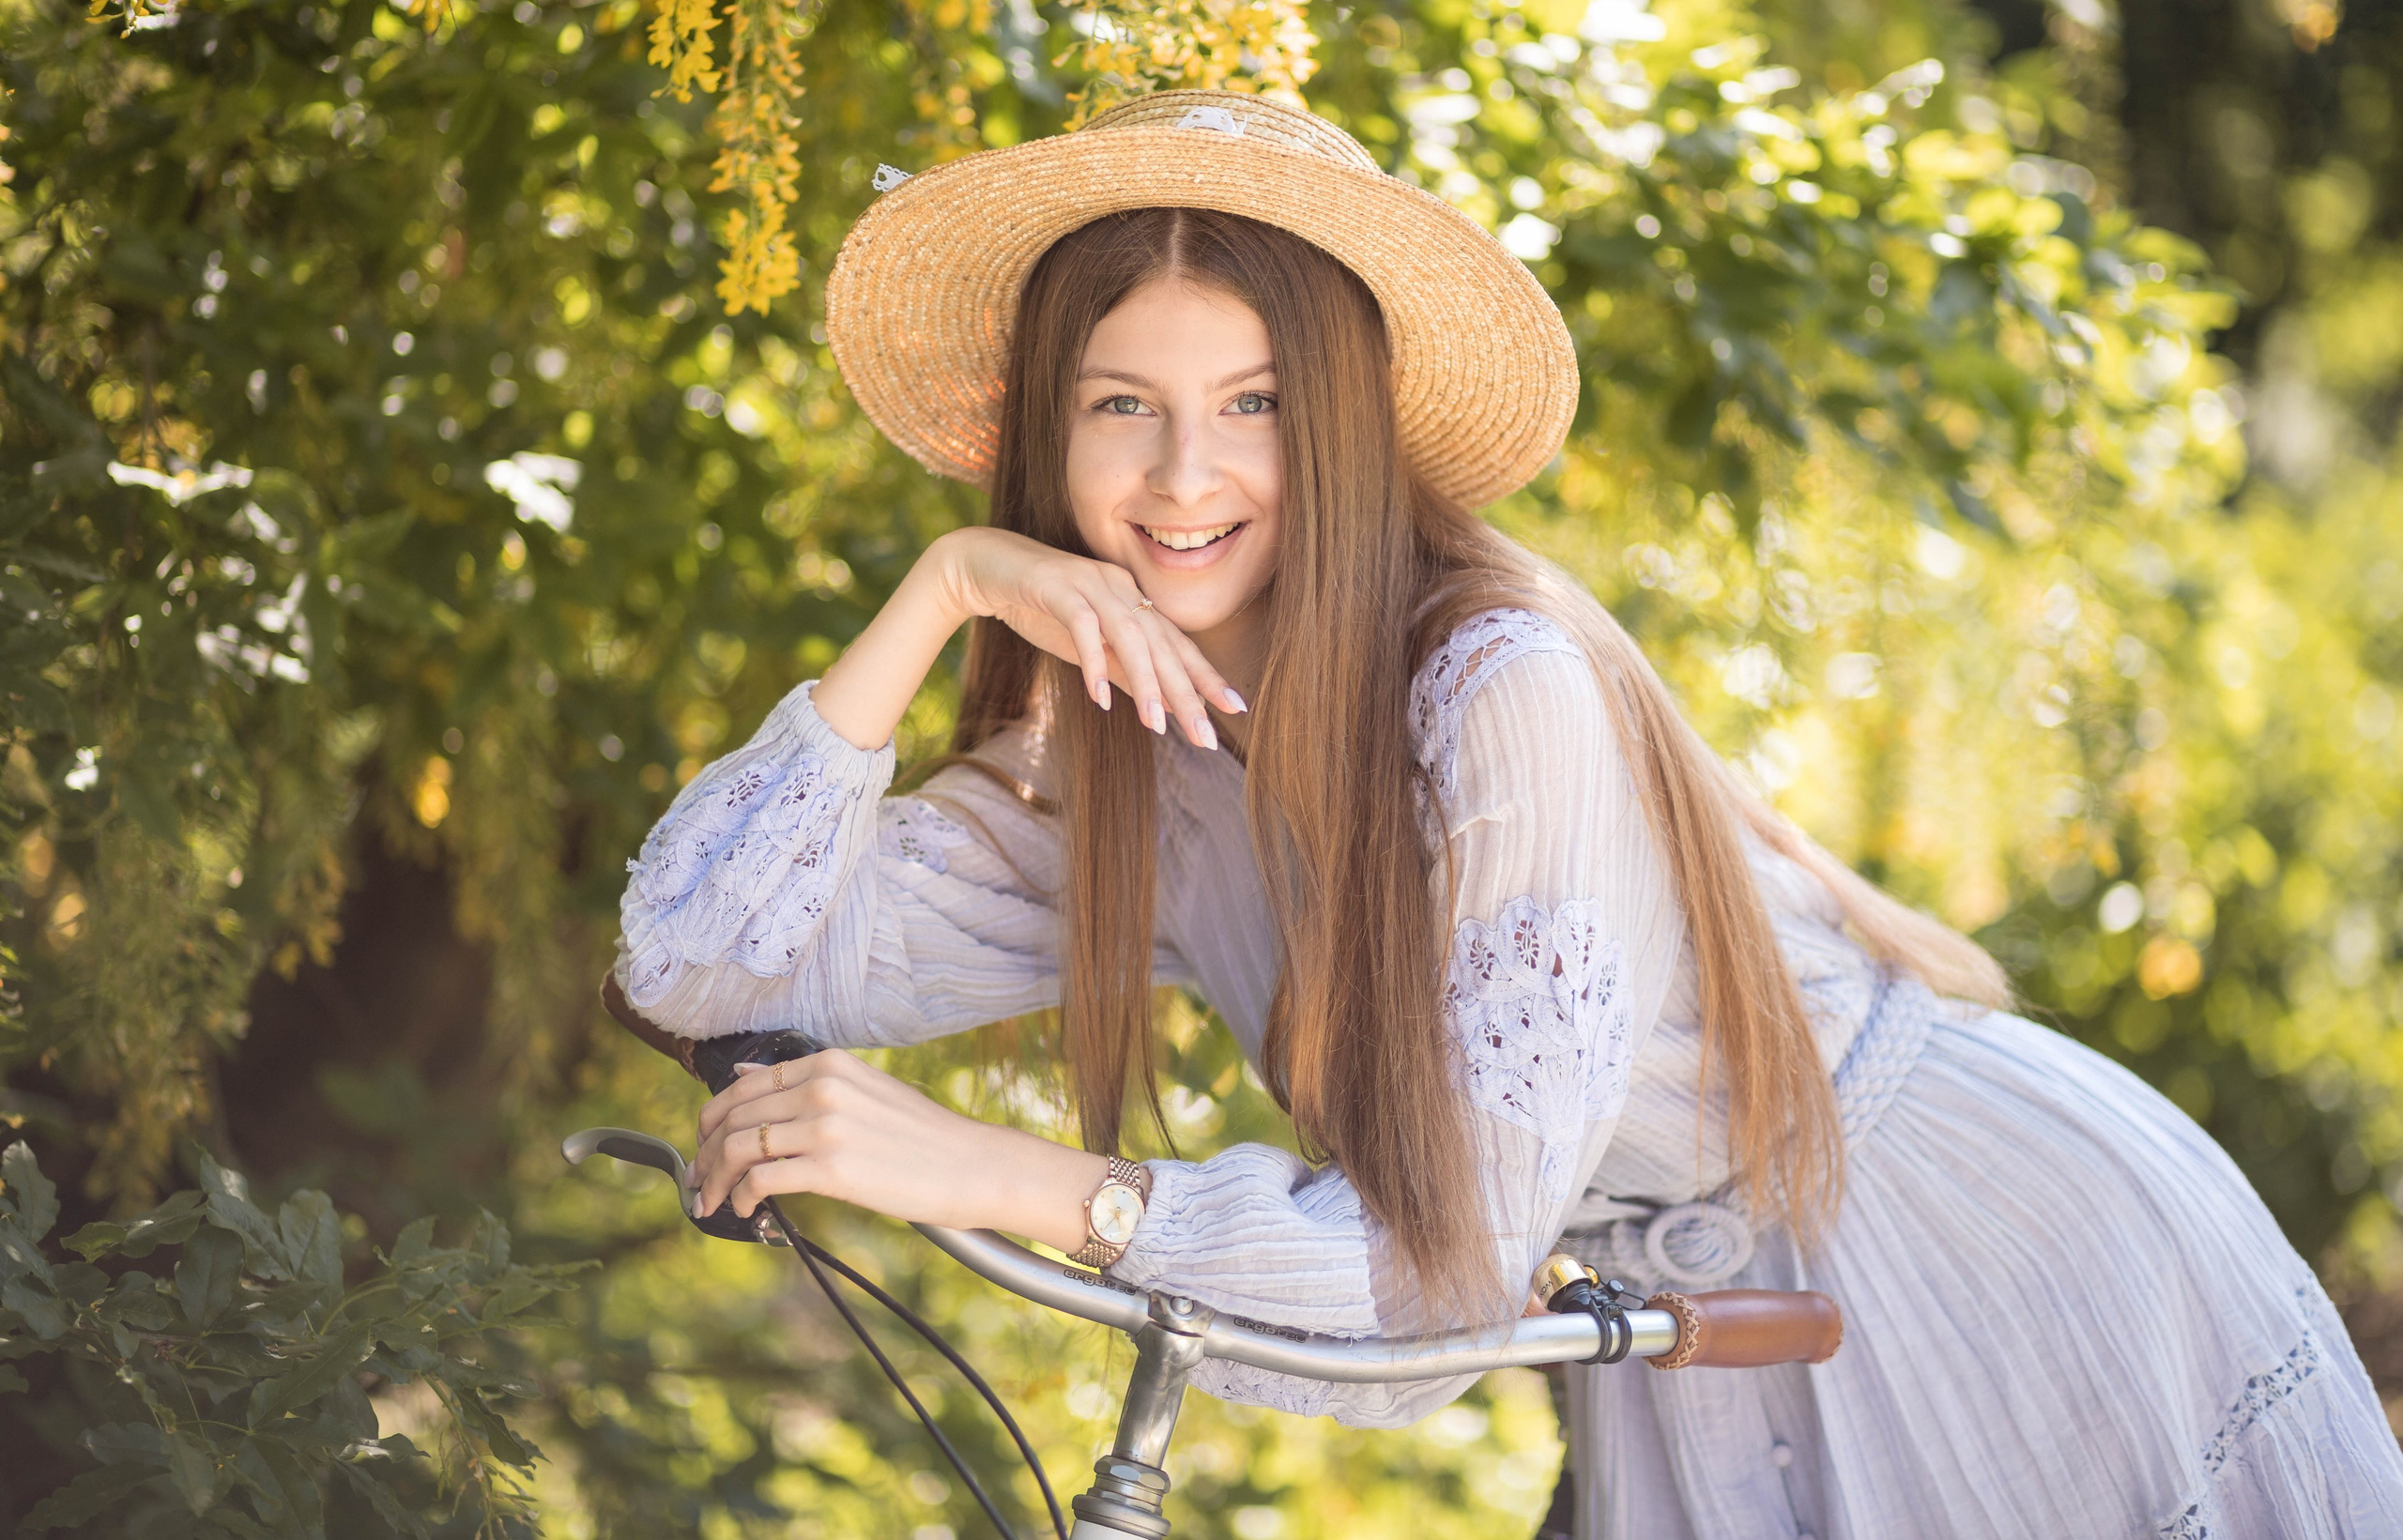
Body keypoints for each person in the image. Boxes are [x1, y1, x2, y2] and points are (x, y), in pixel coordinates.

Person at [610, 90, 2403, 1537]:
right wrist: (941, 589)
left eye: (1254, 402)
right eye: (1120, 407)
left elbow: (1442, 1267)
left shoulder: (1495, 689)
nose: (1182, 474)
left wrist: (1007, 1176)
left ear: (1344, 424)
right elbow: (692, 965)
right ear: (1047, 444)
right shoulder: (1120, 761)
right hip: (1678, 1344)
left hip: (1970, 1260)